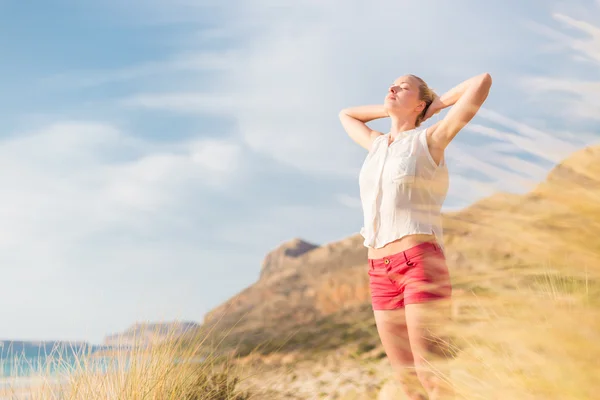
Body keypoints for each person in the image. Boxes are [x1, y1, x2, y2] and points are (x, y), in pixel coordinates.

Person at [339, 73, 492, 399]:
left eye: (403, 87)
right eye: (390, 85)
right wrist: (391, 109)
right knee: (407, 384)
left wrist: (435, 107)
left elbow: (482, 82)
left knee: (432, 375)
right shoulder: (377, 144)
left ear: (420, 102)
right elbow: (346, 114)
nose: (392, 88)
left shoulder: (431, 139)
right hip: (379, 272)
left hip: (419, 265)